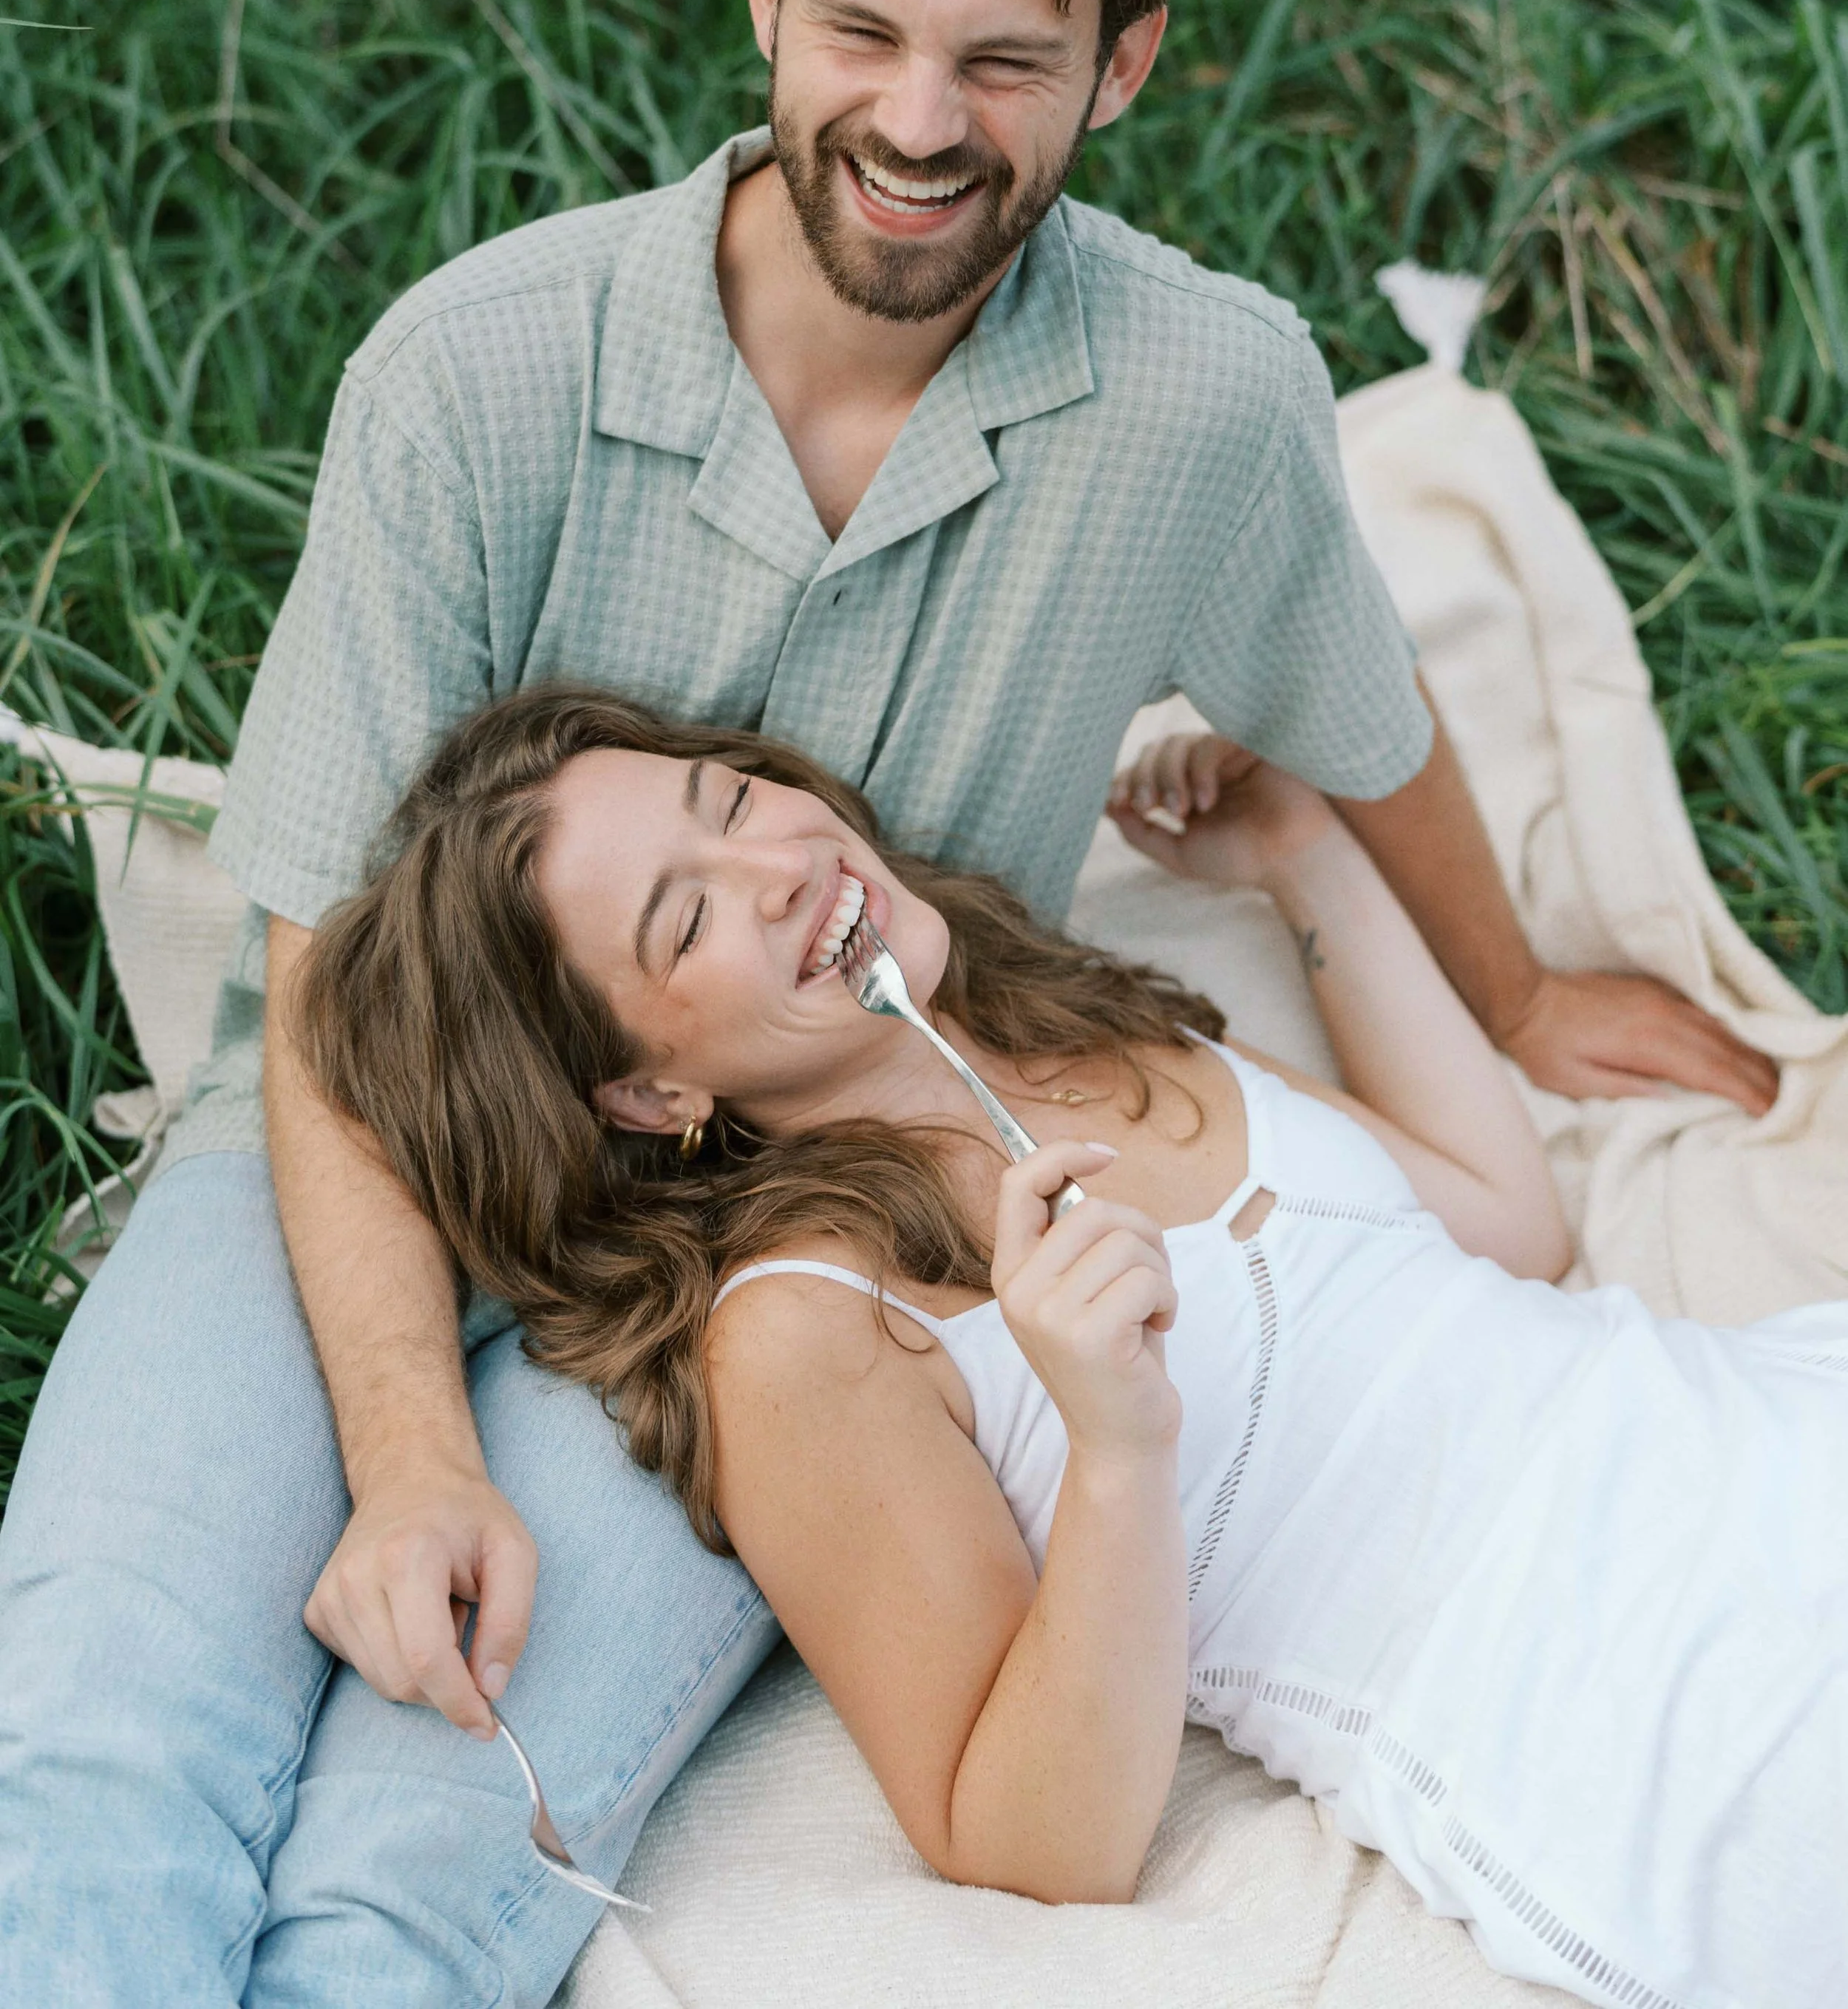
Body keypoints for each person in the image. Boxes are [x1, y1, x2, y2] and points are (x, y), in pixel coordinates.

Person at [0, 0, 1776, 2007]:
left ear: (1118, 63)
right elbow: (332, 974)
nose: (916, 125)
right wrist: (410, 1454)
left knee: (438, 1848)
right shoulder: (477, 374)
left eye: (1004, 62)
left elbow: (1356, 716)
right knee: (99, 1731)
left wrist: (1522, 998)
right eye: (856, 31)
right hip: (347, 1127)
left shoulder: (1199, 398)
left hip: (754, 1204)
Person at [301, 684, 1847, 2009]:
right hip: (1604, 1699)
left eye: (732, 800)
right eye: (687, 913)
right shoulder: (807, 1332)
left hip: (1728, 1436)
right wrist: (1114, 1447)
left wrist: (1302, 859)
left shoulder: (1045, 1014)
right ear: (645, 1097)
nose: (773, 862)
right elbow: (1031, 1841)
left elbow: (1501, 1230)